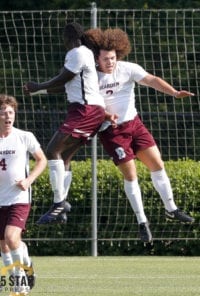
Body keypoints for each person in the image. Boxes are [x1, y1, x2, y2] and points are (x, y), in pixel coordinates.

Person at [85, 27, 195, 243]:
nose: (110, 62)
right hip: (112, 132)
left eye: (113, 58)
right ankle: (142, 222)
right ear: (96, 58)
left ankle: (171, 208)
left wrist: (173, 92)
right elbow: (89, 107)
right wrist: (106, 116)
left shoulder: (127, 69)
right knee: (131, 175)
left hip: (135, 125)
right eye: (106, 59)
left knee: (158, 164)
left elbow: (152, 80)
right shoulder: (90, 78)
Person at [23, 22, 110, 225]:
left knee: (52, 150)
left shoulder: (77, 52)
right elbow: (67, 86)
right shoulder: (84, 54)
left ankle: (58, 203)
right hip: (89, 111)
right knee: (64, 156)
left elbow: (63, 78)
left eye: (63, 38)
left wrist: (38, 85)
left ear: (70, 37)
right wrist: (39, 91)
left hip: (85, 111)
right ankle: (61, 207)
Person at [0, 94, 47, 295]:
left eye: (10, 112)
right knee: (4, 244)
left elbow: (42, 160)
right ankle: (25, 268)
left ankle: (20, 280)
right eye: (3, 113)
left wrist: (28, 181)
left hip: (18, 198)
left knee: (11, 237)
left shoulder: (24, 136)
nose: (7, 117)